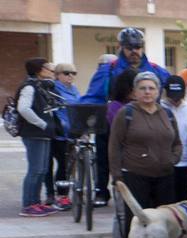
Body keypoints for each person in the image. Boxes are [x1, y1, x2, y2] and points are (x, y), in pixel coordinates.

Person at [84, 29, 171, 209]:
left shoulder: (155, 70)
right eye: (129, 47)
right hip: (113, 118)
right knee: (104, 153)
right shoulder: (108, 69)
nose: (134, 51)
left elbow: (172, 91)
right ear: (121, 47)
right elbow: (93, 96)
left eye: (138, 47)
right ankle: (101, 190)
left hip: (147, 119)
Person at [108, 71, 182, 238]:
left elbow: (177, 142)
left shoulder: (166, 113)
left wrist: (173, 159)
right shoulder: (126, 113)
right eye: (143, 88)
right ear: (134, 91)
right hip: (135, 175)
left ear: (159, 91)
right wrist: (116, 176)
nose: (147, 92)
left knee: (167, 223)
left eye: (151, 88)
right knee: (137, 222)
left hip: (165, 175)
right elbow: (114, 145)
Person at [15, 58, 61, 217]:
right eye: (49, 68)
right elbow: (23, 109)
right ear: (39, 70)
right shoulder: (29, 87)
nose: (52, 71)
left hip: (43, 134)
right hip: (34, 133)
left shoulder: (41, 86)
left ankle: (35, 202)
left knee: (41, 170)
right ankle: (28, 205)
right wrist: (41, 124)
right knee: (35, 170)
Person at [49, 62, 80, 210]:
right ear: (57, 75)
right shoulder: (53, 88)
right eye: (66, 73)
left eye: (73, 73)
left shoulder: (74, 89)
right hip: (58, 134)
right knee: (62, 165)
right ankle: (60, 196)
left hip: (72, 133)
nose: (70, 76)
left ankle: (64, 195)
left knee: (68, 166)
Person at [163, 76, 187, 206]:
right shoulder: (159, 109)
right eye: (172, 96)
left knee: (183, 202)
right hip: (166, 163)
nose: (175, 100)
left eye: (178, 95)